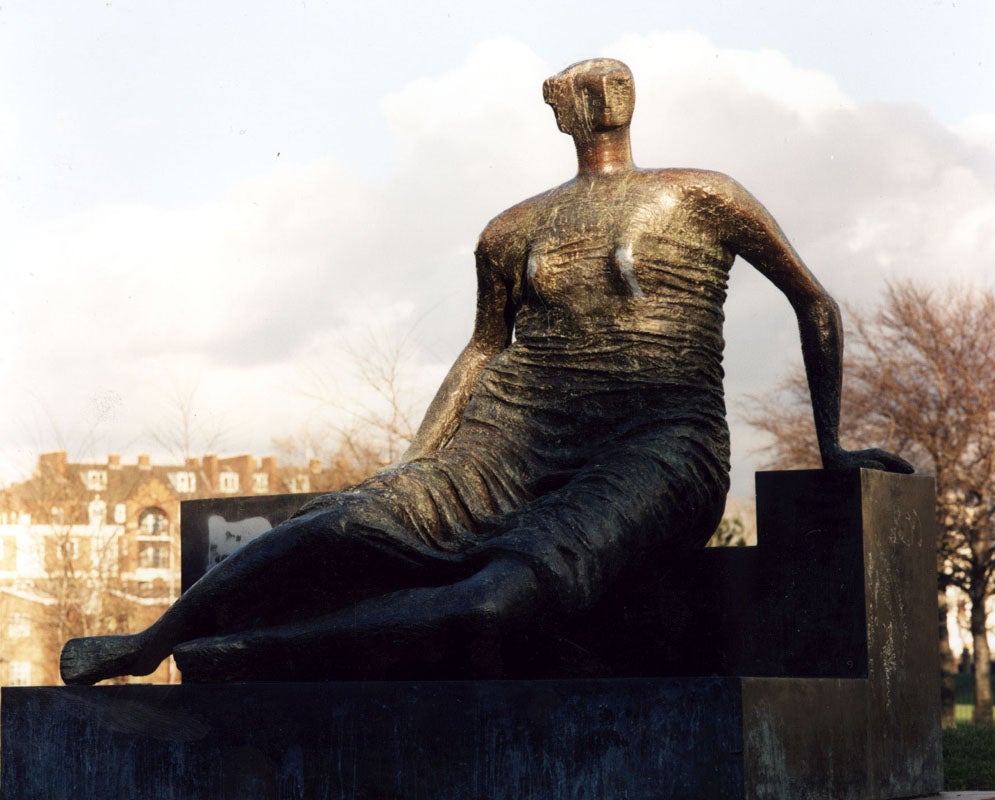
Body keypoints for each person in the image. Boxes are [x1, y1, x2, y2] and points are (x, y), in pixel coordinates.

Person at [60, 58, 911, 685]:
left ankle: (243, 655)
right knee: (344, 523)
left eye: (610, 82)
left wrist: (833, 445)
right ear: (560, 113)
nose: (600, 90)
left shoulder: (700, 194)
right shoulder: (510, 229)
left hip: (658, 445)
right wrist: (421, 457)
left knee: (490, 604)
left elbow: (815, 303)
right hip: (510, 443)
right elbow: (482, 350)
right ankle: (151, 641)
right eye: (581, 85)